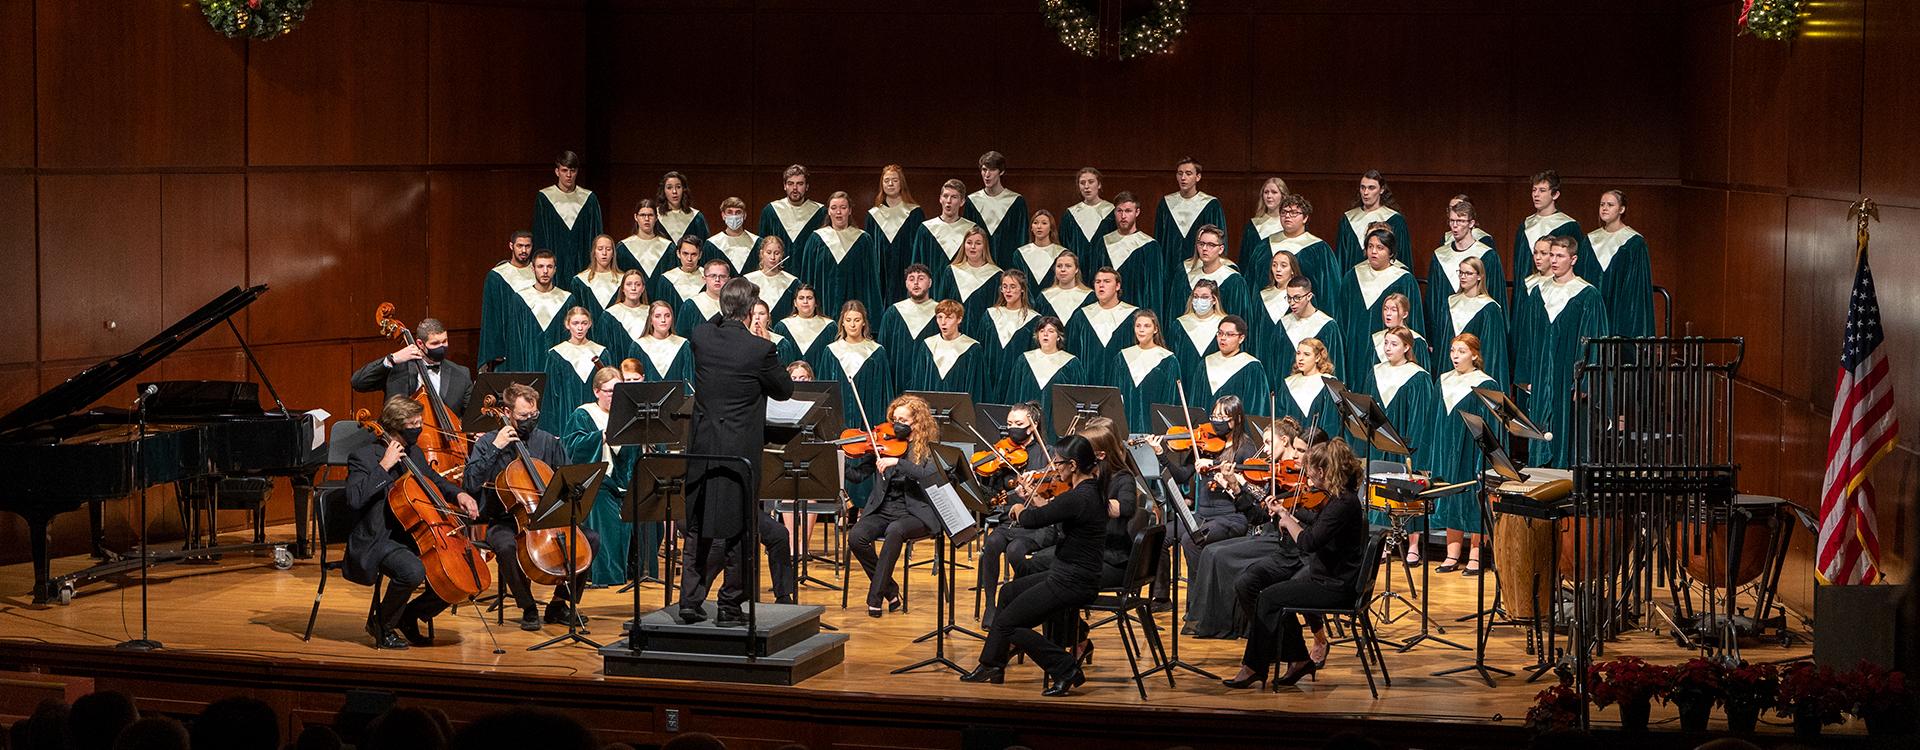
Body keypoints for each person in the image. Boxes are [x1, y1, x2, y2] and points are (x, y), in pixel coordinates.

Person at [680, 278, 796, 624]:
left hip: (702, 449)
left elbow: (716, 322)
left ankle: (689, 601)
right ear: (749, 312)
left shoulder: (701, 337)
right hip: (739, 453)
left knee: (698, 527)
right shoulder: (759, 350)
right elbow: (785, 390)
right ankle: (730, 605)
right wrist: (759, 334)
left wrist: (731, 311)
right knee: (740, 529)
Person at [960, 435, 1108, 696]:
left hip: (1071, 581)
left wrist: (1018, 507)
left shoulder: (1077, 498)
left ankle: (1065, 668)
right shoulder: (1090, 490)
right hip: (1070, 574)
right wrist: (1036, 499)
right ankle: (991, 664)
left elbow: (1032, 520)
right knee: (1007, 593)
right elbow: (1055, 512)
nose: (1055, 468)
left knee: (1007, 624)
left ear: (1073, 465)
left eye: (1059, 463)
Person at [1224, 439, 1369, 690]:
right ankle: (1299, 660)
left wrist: (1284, 516)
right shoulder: (1342, 500)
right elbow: (1315, 526)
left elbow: (1308, 542)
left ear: (1323, 472)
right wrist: (1288, 513)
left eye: (1311, 471)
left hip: (1334, 585)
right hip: (1330, 578)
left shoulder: (1342, 505)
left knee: (1269, 598)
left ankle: (1254, 666)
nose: (1308, 477)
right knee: (1272, 593)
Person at [345, 396, 482, 649]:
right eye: (413, 424)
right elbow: (354, 499)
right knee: (412, 571)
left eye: (420, 422)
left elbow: (434, 480)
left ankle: (409, 615)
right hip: (378, 537)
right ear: (394, 426)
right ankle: (381, 624)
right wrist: (384, 466)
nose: (418, 428)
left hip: (413, 533)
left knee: (460, 575)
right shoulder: (363, 457)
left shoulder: (414, 452)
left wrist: (459, 494)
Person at [464, 383, 602, 629]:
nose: (530, 420)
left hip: (548, 517)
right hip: (505, 520)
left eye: (534, 415)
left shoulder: (547, 441)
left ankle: (559, 603)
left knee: (589, 540)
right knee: (506, 547)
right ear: (506, 413)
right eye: (523, 416)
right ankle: (527, 606)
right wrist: (496, 448)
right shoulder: (487, 442)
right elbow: (471, 482)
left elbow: (567, 475)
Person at [1185, 418, 1316, 639]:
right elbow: (1257, 517)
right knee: (1210, 551)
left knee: (1222, 556)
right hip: (1270, 536)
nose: (1263, 449)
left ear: (1285, 441)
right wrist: (1236, 489)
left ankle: (1237, 625)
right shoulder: (1272, 474)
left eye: (1267, 442)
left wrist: (1245, 485)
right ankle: (1218, 623)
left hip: (1289, 546)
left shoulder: (1303, 479)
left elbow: (1305, 520)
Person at [846, 395, 952, 617]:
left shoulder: (927, 448)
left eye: (903, 420)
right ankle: (891, 590)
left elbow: (928, 476)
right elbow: (857, 476)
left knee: (895, 531)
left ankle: (874, 598)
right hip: (883, 510)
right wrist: (837, 461)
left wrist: (899, 463)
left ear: (917, 423)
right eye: (894, 419)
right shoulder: (883, 445)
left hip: (915, 513)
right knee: (856, 537)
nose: (897, 425)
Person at [1512, 235, 1608, 468]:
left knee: (1567, 431)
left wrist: (1583, 382)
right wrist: (1526, 377)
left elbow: (1593, 342)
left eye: (1560, 256)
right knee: (1541, 428)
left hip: (1569, 378)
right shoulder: (1539, 293)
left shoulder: (1587, 295)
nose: (1553, 260)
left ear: (1573, 259)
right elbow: (1528, 337)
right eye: (1551, 255)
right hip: (1542, 374)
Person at [973, 402, 1058, 627]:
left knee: (1015, 551)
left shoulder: (1048, 454)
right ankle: (991, 606)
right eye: (1009, 424)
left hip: (1040, 523)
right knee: (991, 544)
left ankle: (1018, 603)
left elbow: (1056, 488)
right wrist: (1011, 491)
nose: (1012, 429)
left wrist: (1036, 486)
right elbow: (992, 495)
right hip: (1011, 520)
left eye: (1019, 424)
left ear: (1033, 426)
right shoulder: (1000, 453)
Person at [1150, 395, 1262, 564]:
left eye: (1223, 417)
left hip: (1230, 518)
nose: (1217, 422)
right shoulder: (1206, 444)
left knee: (1191, 541)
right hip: (1202, 516)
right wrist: (1160, 454)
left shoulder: (1245, 448)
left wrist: (1215, 465)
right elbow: (1181, 476)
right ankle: (1160, 591)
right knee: (1159, 536)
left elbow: (1251, 493)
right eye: (1214, 417)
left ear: (1237, 419)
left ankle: (1198, 591)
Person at [1432, 334, 1500, 575]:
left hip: (1473, 449)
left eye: (1461, 351)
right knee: (1451, 495)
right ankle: (1452, 554)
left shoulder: (1486, 383)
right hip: (1446, 448)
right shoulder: (1443, 380)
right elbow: (1436, 419)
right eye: (1452, 351)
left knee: (1473, 499)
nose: (1455, 356)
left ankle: (1476, 554)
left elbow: (1490, 426)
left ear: (1474, 354)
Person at [1336, 226, 1423, 392]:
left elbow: (1414, 319)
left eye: (1380, 247)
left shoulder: (1404, 279)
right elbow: (1343, 317)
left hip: (1389, 346)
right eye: (1370, 246)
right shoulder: (1352, 276)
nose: (1373, 252)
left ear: (1391, 253)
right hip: (1356, 345)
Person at [350, 317, 472, 415]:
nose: (442, 346)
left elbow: (471, 417)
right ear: (420, 344)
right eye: (435, 343)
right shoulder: (397, 368)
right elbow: (358, 383)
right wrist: (391, 359)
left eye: (444, 341)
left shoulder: (461, 373)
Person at [1154, 157, 1227, 317]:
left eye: (1188, 173)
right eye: (1180, 173)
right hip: (1171, 268)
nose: (1183, 178)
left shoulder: (1210, 204)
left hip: (1201, 268)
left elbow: (1219, 240)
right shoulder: (1166, 204)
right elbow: (1159, 240)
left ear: (1198, 177)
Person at [487, 249, 576, 373]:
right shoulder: (520, 300)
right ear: (533, 269)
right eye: (540, 266)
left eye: (549, 267)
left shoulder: (567, 300)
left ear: (555, 269)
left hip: (558, 371)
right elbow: (515, 342)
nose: (545, 271)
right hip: (528, 368)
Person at [1512, 170, 1596, 300]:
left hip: (1558, 295)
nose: (1536, 194)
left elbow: (1578, 265)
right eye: (1534, 190)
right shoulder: (1524, 227)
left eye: (1542, 190)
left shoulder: (1568, 226)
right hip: (1527, 294)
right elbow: (1519, 268)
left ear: (1555, 194)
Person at [1431, 256, 1511, 388]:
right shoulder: (1451, 302)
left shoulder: (1489, 308)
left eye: (1468, 273)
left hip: (1475, 374)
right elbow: (1442, 340)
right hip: (1449, 366)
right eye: (1461, 272)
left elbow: (1491, 350)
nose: (1463, 277)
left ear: (1479, 276)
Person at [797, 191, 880, 317]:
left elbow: (871, 282)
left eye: (843, 207)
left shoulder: (863, 240)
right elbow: (807, 277)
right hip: (822, 309)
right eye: (834, 208)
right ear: (829, 211)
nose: (838, 212)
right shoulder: (816, 240)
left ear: (850, 211)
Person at [1427, 201, 1507, 334]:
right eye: (1452, 221)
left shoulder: (1487, 256)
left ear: (1471, 223)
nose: (1455, 226)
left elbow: (1495, 294)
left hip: (1478, 326)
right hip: (1446, 327)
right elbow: (1433, 299)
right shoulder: (1440, 255)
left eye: (1460, 221)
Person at [1261, 272, 1346, 391]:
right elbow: (1273, 365)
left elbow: (1335, 365)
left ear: (1309, 296)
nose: (1292, 303)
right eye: (1289, 298)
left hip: (1317, 392)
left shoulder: (1327, 326)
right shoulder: (1282, 326)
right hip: (1287, 395)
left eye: (1297, 298)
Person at [1586, 189, 1654, 336]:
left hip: (1620, 310)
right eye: (1602, 204)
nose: (1604, 208)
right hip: (1594, 310)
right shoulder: (1590, 240)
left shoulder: (1634, 243)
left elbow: (1636, 287)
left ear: (1621, 209)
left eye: (1610, 205)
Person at [1087, 192, 1163, 318]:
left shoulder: (1149, 246)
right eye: (1119, 211)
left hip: (1138, 317)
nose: (1123, 216)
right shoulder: (1103, 243)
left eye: (1128, 211)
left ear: (1137, 212)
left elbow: (1153, 292)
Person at [820, 301, 894, 430]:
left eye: (857, 320)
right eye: (848, 320)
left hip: (869, 417)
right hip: (838, 418)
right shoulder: (831, 352)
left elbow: (883, 393)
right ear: (842, 322)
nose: (852, 325)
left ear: (864, 322)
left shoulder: (876, 352)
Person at [1064, 267, 1141, 388]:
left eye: (1107, 281)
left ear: (1117, 286)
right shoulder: (1081, 316)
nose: (1101, 285)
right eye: (1098, 282)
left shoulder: (1133, 316)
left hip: (1122, 384)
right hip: (1087, 386)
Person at [1267, 194, 1342, 318]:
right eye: (1284, 212)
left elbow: (1329, 291)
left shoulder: (1319, 250)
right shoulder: (1264, 247)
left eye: (1294, 213)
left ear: (1305, 217)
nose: (1287, 216)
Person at [533, 151, 603, 276]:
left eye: (573, 170)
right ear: (557, 172)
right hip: (554, 266)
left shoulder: (589, 199)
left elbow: (597, 236)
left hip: (583, 264)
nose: (569, 175)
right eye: (564, 170)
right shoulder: (544, 198)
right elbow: (540, 236)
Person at [975, 271, 1041, 403]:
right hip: (990, 375)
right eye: (1004, 286)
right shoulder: (990, 315)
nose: (1008, 291)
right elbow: (980, 348)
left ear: (1022, 289)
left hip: (1016, 380)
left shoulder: (1033, 319)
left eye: (1013, 286)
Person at [1112, 311, 1182, 435]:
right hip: (1126, 426)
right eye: (1138, 326)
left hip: (1154, 430)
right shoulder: (1122, 357)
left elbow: (1170, 400)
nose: (1141, 330)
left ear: (1155, 329)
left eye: (1147, 326)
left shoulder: (1168, 360)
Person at [1189, 315, 1271, 417]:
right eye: (1220, 333)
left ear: (1241, 338)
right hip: (1204, 430)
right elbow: (1195, 403)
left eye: (1229, 334)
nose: (1223, 338)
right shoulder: (1205, 364)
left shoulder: (1252, 367)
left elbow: (1256, 408)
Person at [905, 300, 986, 399]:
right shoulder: (928, 345)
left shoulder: (972, 349)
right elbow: (919, 383)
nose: (943, 322)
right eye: (940, 317)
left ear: (959, 319)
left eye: (949, 317)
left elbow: (975, 388)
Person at [962, 151, 1031, 268]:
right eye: (984, 170)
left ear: (1001, 171)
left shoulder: (1016, 202)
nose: (987, 175)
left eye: (992, 170)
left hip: (1009, 266)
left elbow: (1022, 239)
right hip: (979, 267)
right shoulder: (972, 201)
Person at [479, 231, 537, 368]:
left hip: (534, 341)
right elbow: (491, 316)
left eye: (527, 246)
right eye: (520, 246)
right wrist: (496, 349)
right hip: (509, 344)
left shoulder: (539, 272)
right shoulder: (497, 276)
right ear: (511, 246)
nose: (524, 250)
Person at [868, 164, 926, 303]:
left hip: (906, 269)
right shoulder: (873, 215)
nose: (890, 184)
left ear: (902, 183)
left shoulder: (914, 213)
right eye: (886, 180)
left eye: (895, 180)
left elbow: (919, 249)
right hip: (880, 274)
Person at [907, 179, 977, 292]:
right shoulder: (926, 229)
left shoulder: (971, 230)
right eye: (945, 196)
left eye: (954, 197)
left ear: (962, 201)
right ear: (940, 199)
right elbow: (917, 266)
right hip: (932, 291)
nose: (948, 201)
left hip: (962, 291)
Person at [1005, 315, 1085, 415]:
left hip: (1058, 423)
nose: (1045, 334)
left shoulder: (1071, 363)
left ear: (1059, 337)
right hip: (1027, 422)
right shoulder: (1024, 360)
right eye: (1042, 331)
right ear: (1037, 336)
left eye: (1051, 331)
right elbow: (1013, 393)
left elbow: (1078, 397)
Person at [1333, 170, 1410, 271]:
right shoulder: (1348, 220)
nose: (1365, 192)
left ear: (1381, 190)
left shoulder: (1395, 221)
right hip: (1355, 281)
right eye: (1362, 187)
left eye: (1371, 188)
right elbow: (1341, 260)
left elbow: (1402, 259)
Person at [875, 263, 941, 381]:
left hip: (929, 378)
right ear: (906, 284)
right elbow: (883, 349)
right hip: (897, 379)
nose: (916, 283)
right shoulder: (893, 313)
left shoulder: (940, 314)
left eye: (921, 278)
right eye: (911, 279)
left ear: (930, 283)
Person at [540, 306, 608, 417]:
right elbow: (551, 394)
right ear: (567, 325)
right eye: (575, 323)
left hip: (596, 416)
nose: (580, 328)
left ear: (590, 324)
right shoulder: (556, 355)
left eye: (584, 323)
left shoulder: (601, 353)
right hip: (566, 415)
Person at [1181, 224, 1255, 324]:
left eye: (1211, 245)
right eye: (1201, 244)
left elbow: (1241, 320)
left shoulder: (1234, 281)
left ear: (1221, 249)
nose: (1204, 249)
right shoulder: (1187, 278)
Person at [1280, 338, 1346, 440]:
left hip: (1319, 447)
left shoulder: (1329, 383)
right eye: (1298, 353)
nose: (1300, 358)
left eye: (1306, 354)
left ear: (1318, 357)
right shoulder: (1289, 383)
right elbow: (1281, 418)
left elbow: (1331, 423)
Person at [935, 226, 1004, 324]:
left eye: (978, 243)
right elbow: (942, 305)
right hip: (954, 332)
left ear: (985, 246)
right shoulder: (951, 271)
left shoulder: (996, 276)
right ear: (964, 245)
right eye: (969, 242)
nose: (973, 247)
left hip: (981, 331)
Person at [757, 165, 825, 264]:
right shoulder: (771, 211)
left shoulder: (820, 213)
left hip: (808, 272)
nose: (795, 188)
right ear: (785, 186)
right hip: (777, 272)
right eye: (790, 183)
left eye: (800, 184)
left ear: (807, 186)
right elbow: (763, 247)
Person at [773, 285, 837, 377]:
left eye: (809, 298)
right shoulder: (782, 327)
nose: (805, 302)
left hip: (821, 386)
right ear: (795, 302)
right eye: (801, 298)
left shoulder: (830, 327)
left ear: (816, 303)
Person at [1238, 177, 1289, 285]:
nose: (1269, 196)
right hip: (1258, 281)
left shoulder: (1290, 225)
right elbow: (1245, 259)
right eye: (1266, 192)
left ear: (1283, 196)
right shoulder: (1253, 227)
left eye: (1274, 192)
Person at [632, 301, 695, 389]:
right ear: (650, 320)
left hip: (678, 401)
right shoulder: (638, 347)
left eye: (667, 316)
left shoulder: (683, 345)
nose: (663, 320)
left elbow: (689, 382)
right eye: (657, 316)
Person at [1059, 167, 1115, 264]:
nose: (1086, 186)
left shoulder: (1111, 212)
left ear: (1099, 184)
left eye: (1091, 182)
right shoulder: (1070, 214)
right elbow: (1064, 244)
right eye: (1082, 183)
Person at [1170, 279, 1227, 370]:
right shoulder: (1180, 325)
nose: (1199, 301)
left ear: (1214, 300)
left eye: (1204, 297)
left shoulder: (1225, 325)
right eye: (1196, 297)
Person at [596, 270, 650, 364]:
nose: (633, 288)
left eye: (637, 284)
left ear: (643, 288)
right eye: (629, 284)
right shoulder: (609, 315)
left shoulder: (652, 313)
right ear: (622, 289)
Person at [1011, 210, 1065, 304]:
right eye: (1035, 223)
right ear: (1031, 228)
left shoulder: (1062, 254)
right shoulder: (1020, 254)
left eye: (1044, 223)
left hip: (1053, 303)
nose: (1039, 226)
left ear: (1051, 228)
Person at [1370, 292, 1432, 372]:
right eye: (1385, 309)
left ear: (1405, 314)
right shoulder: (1377, 339)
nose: (1388, 314)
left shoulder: (1416, 341)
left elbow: (1422, 376)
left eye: (1393, 310)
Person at [704, 196, 763, 278]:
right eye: (729, 212)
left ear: (744, 215)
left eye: (738, 212)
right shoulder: (711, 244)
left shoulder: (757, 243)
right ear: (723, 215)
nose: (734, 216)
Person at [744, 236, 800, 321]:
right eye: (769, 252)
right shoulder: (748, 280)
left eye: (777, 253)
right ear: (762, 253)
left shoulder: (793, 283)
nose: (772, 257)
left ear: (782, 255)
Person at [648, 236, 707, 312]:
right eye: (685, 254)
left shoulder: (708, 278)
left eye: (694, 254)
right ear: (678, 254)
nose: (689, 259)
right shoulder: (666, 280)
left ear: (700, 255)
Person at [618, 199, 674, 277]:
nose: (647, 219)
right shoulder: (623, 248)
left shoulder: (669, 248)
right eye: (642, 215)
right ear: (635, 217)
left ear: (656, 217)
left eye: (650, 215)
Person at [567, 234, 624, 310]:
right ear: (594, 253)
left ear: (613, 253)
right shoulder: (579, 281)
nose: (604, 253)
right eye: (600, 249)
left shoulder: (624, 280)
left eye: (608, 249)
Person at [676, 259, 730, 337]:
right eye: (713, 276)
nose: (717, 280)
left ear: (729, 279)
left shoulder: (735, 305)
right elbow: (682, 338)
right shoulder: (691, 305)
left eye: (722, 276)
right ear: (704, 279)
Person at [1036, 251, 1094, 320]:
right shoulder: (1044, 297)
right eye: (1059, 266)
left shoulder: (1089, 297)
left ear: (1076, 269)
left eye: (1068, 266)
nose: (1063, 269)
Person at [655, 171, 709, 245]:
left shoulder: (696, 217)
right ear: (663, 191)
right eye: (669, 187)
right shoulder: (655, 217)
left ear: (684, 189)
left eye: (678, 187)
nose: (674, 191)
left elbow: (704, 247)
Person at [749, 299, 802, 365]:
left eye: (761, 314)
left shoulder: (781, 344)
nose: (757, 317)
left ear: (768, 318)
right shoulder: (740, 340)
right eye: (753, 314)